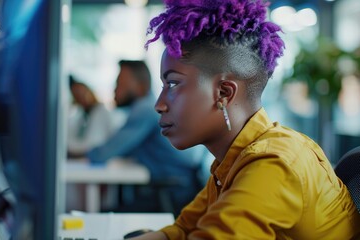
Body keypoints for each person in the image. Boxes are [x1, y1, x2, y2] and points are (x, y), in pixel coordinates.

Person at [128, 0, 360, 239]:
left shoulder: (273, 164)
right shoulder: (232, 161)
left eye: (173, 83)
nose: (159, 104)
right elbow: (181, 230)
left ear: (224, 93)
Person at [86, 60, 207, 215]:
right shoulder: (148, 107)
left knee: (102, 216)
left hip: (173, 195)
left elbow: (102, 154)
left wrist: (82, 154)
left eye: (120, 83)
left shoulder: (145, 109)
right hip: (178, 190)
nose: (115, 90)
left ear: (141, 86)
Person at [66, 75, 115, 158]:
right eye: (76, 96)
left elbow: (93, 142)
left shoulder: (101, 112)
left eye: (83, 94)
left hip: (94, 157)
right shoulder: (80, 115)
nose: (81, 98)